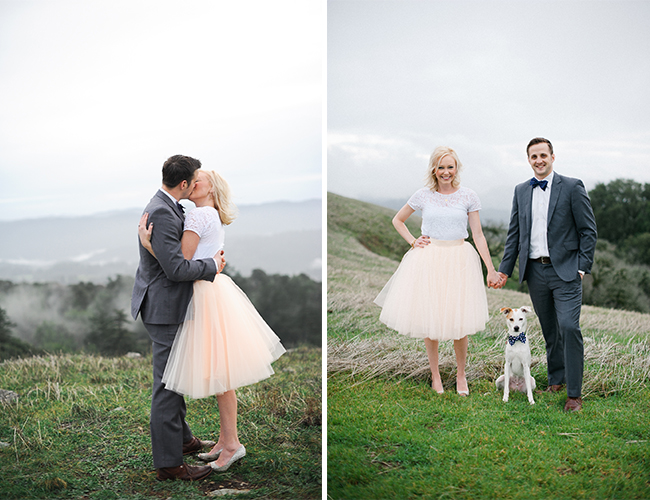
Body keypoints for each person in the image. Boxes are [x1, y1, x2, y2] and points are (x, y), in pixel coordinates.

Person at [138, 168, 286, 472]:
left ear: (210, 188)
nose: (194, 181)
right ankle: (224, 440)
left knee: (221, 375)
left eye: (199, 179)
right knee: (222, 373)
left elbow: (178, 262)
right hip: (212, 290)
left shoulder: (197, 216)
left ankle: (231, 444)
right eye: (191, 178)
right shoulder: (211, 213)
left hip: (203, 294)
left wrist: (148, 243)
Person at [374, 146, 500, 396]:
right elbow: (397, 220)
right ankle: (435, 375)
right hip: (429, 259)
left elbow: (478, 235)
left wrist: (491, 269)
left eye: (450, 167)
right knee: (430, 318)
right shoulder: (423, 195)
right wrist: (413, 240)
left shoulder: (468, 196)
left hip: (460, 258)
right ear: (434, 169)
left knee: (459, 320)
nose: (446, 172)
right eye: (441, 167)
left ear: (457, 168)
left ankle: (461, 375)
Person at [131, 155, 224, 481]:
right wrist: (213, 266)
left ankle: (182, 441)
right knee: (168, 385)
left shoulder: (168, 206)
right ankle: (169, 464)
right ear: (183, 184)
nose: (197, 183)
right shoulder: (163, 211)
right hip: (164, 307)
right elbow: (176, 268)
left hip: (164, 304)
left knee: (175, 374)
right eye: (194, 179)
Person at [494, 137, 597, 413]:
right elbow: (514, 235)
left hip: (566, 271)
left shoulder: (573, 187)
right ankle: (556, 380)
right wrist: (504, 270)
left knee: (569, 327)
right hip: (535, 272)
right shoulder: (520, 191)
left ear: (552, 156)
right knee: (550, 330)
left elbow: (589, 230)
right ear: (529, 160)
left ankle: (574, 394)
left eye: (543, 155)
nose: (538, 160)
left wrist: (582, 266)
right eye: (533, 156)